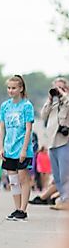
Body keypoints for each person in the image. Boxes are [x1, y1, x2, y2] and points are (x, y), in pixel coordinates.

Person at [0, 75, 35, 221]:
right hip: (9, 147)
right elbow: (2, 127)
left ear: (21, 89)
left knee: (23, 178)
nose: (11, 91)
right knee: (13, 180)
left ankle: (23, 209)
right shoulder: (5, 106)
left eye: (14, 88)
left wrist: (24, 149)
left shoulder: (27, 106)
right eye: (9, 88)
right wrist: (1, 146)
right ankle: (16, 208)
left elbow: (28, 129)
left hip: (22, 148)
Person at [41, 77, 69, 210]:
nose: (58, 91)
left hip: (65, 142)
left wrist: (63, 95)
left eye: (61, 88)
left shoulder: (67, 101)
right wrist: (50, 99)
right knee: (57, 176)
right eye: (56, 88)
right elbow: (43, 115)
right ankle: (64, 199)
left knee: (65, 174)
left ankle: (66, 200)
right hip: (52, 143)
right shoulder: (53, 105)